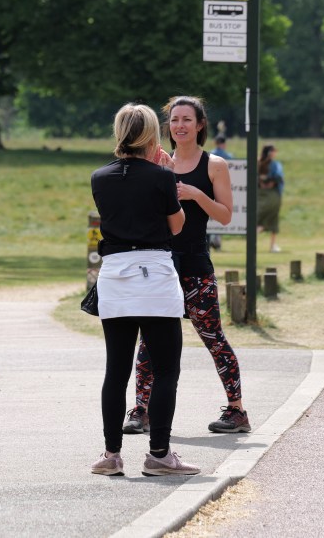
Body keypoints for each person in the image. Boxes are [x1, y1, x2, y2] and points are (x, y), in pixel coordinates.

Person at [125, 96, 251, 437]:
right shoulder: (155, 161)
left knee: (213, 337)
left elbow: (225, 216)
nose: (179, 125)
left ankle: (237, 411)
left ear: (199, 125)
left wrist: (197, 194)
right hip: (161, 263)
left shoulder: (215, 165)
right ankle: (140, 410)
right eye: (174, 120)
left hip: (195, 264)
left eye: (186, 119)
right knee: (148, 340)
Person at [90, 102, 198, 477]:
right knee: (166, 369)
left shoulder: (99, 177)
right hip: (153, 273)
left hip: (115, 276)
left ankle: (110, 454)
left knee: (115, 370)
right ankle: (159, 454)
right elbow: (176, 226)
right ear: (152, 135)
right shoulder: (160, 177)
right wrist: (166, 177)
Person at [208, 135, 233, 249]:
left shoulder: (210, 155)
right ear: (224, 144)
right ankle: (217, 240)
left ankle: (213, 239)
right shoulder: (228, 156)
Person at [258, 144, 284, 253]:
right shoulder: (275, 165)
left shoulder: (258, 163)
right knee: (272, 221)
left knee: (259, 220)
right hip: (272, 195)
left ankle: (252, 242)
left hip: (259, 194)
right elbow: (278, 177)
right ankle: (272, 246)